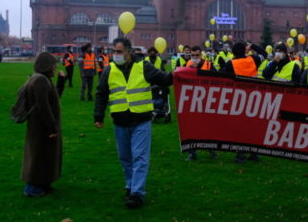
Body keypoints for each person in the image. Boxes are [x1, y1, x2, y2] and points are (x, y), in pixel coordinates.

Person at [94, 37, 172, 209]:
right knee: (125, 158)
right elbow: (101, 93)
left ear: (129, 52)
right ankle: (130, 186)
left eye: (119, 51)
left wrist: (179, 73)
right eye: (114, 51)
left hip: (141, 121)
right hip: (120, 122)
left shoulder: (144, 66)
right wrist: (98, 116)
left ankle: (137, 193)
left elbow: (163, 79)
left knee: (139, 157)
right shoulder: (109, 70)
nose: (116, 55)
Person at [21, 52, 63, 197]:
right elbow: (43, 106)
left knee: (46, 156)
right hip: (41, 127)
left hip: (43, 126)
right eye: (53, 65)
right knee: (38, 156)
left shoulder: (44, 79)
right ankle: (33, 188)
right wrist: (51, 127)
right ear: (46, 66)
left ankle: (43, 184)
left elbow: (53, 98)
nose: (55, 68)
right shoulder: (40, 81)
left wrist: (61, 82)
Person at [184, 45, 219, 161]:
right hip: (191, 100)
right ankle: (192, 152)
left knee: (208, 127)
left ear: (201, 54)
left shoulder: (208, 64)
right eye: (192, 55)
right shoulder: (187, 65)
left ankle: (211, 150)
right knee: (191, 128)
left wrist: (198, 70)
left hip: (206, 100)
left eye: (197, 55)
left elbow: (216, 79)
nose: (194, 57)